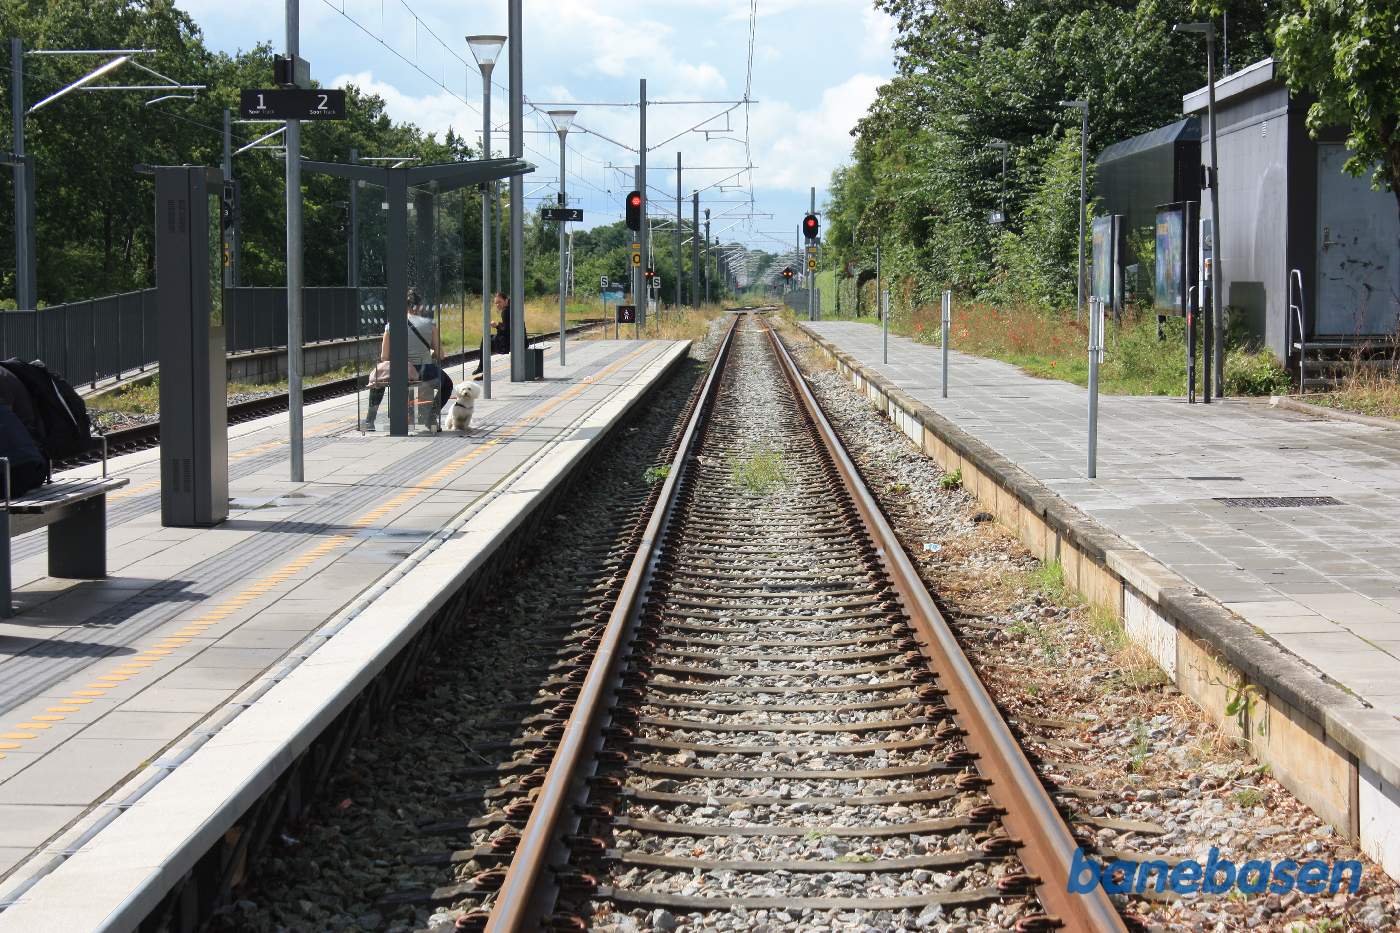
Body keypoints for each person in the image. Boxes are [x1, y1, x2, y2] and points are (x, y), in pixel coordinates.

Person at [363, 288, 453, 431]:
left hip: (400, 371)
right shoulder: (430, 325)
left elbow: (384, 357)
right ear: (420, 306)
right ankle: (431, 417)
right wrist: (431, 354)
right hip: (424, 371)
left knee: (378, 381)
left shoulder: (391, 326)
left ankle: (369, 421)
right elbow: (440, 353)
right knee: (448, 384)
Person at [473, 292, 512, 376]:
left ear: (506, 300)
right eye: (496, 303)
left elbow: (506, 331)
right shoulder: (510, 309)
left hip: (509, 342)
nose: (497, 305)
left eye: (499, 302)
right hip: (515, 339)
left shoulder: (506, 311)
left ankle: (483, 369)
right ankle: (483, 368)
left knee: (486, 340)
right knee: (487, 339)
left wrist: (497, 325)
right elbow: (509, 327)